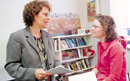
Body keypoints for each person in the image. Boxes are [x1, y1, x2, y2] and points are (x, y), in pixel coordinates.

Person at [4, 0, 61, 81]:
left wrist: (59, 67)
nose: (49, 18)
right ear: (33, 15)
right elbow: (11, 66)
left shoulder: (48, 36)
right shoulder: (17, 37)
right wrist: (33, 73)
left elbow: (52, 60)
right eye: (45, 14)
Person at [91, 14, 126, 81]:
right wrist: (88, 76)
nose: (92, 29)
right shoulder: (99, 44)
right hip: (101, 77)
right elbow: (99, 66)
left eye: (95, 27)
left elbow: (114, 78)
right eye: (93, 26)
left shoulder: (115, 47)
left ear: (105, 29)